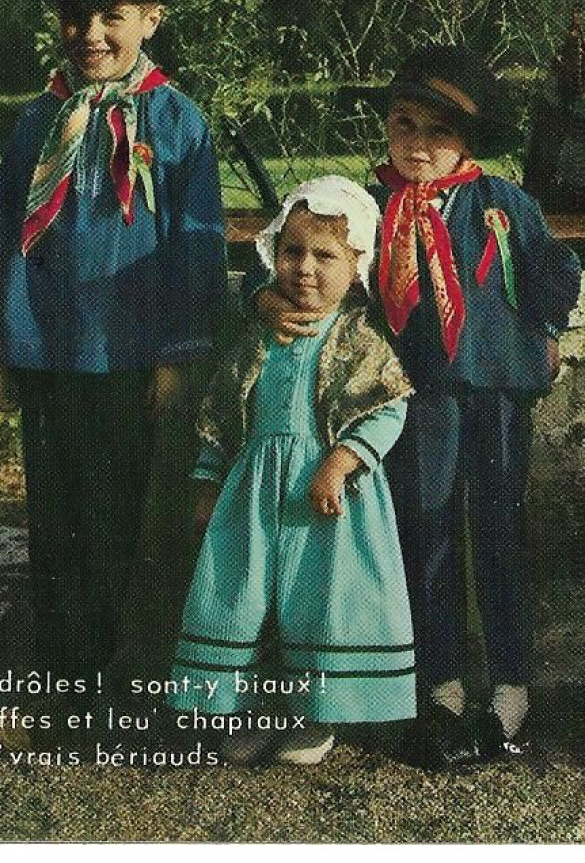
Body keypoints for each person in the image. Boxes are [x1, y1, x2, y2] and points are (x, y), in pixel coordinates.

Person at [256, 46, 582, 767]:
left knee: (496, 527)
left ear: (467, 141)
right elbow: (303, 251)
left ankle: (510, 683)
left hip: (496, 385)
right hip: (414, 393)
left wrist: (547, 332)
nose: (418, 145)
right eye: (404, 124)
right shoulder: (369, 210)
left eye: (438, 131)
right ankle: (439, 684)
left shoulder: (499, 202)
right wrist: (268, 293)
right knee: (425, 532)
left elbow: (555, 267)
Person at [0, 0, 226, 684]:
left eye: (112, 16)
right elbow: (7, 238)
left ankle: (119, 667)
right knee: (56, 517)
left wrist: (177, 357)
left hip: (128, 356)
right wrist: (5, 349)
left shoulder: (177, 123)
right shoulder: (36, 124)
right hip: (51, 353)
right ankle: (62, 672)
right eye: (76, 16)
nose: (90, 34)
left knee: (121, 517)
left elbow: (194, 247)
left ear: (151, 20)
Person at [168, 176, 416, 766]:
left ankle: (311, 719)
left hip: (325, 500)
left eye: (324, 256)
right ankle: (257, 711)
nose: (304, 268)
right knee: (251, 599)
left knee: (316, 604)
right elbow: (225, 415)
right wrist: (208, 481)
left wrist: (340, 460)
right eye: (292, 251)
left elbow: (389, 407)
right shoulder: (259, 336)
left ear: (356, 264)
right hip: (253, 493)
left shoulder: (359, 337)